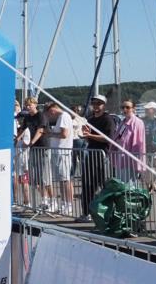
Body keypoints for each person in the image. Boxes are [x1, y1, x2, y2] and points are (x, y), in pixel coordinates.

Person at [78, 94, 115, 222]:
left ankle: (108, 213)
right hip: (91, 154)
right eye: (94, 104)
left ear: (104, 106)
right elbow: (88, 136)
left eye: (99, 104)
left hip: (102, 155)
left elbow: (108, 138)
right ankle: (86, 213)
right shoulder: (90, 119)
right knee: (87, 185)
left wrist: (90, 135)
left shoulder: (108, 119)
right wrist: (86, 134)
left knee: (104, 185)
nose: (96, 106)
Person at [42, 102, 74, 216]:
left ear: (52, 110)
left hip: (63, 151)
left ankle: (68, 204)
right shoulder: (62, 117)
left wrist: (50, 134)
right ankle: (64, 203)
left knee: (65, 179)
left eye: (50, 115)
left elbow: (64, 134)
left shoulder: (64, 116)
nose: (51, 117)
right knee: (62, 179)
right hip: (59, 151)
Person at [110, 100, 146, 183]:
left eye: (127, 107)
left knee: (129, 188)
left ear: (133, 109)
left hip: (130, 162)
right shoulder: (123, 122)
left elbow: (138, 144)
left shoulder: (138, 123)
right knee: (122, 187)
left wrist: (136, 163)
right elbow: (118, 138)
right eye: (123, 107)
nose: (125, 110)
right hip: (120, 160)